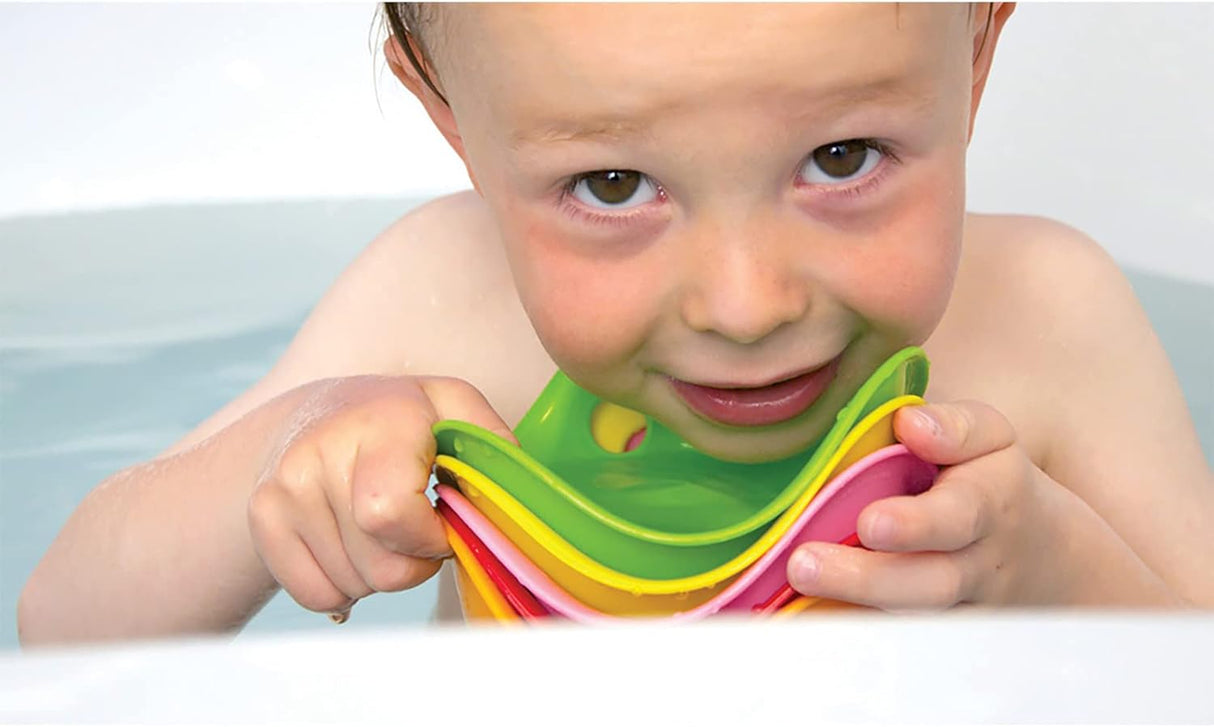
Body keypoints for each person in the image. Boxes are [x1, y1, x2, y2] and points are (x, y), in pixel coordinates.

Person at [18, 3, 1214, 646]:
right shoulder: (437, 299)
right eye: (608, 188)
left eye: (839, 157)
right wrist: (277, 469)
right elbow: (64, 629)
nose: (745, 306)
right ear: (452, 120)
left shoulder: (1053, 315)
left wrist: (1055, 566)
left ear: (977, 45)